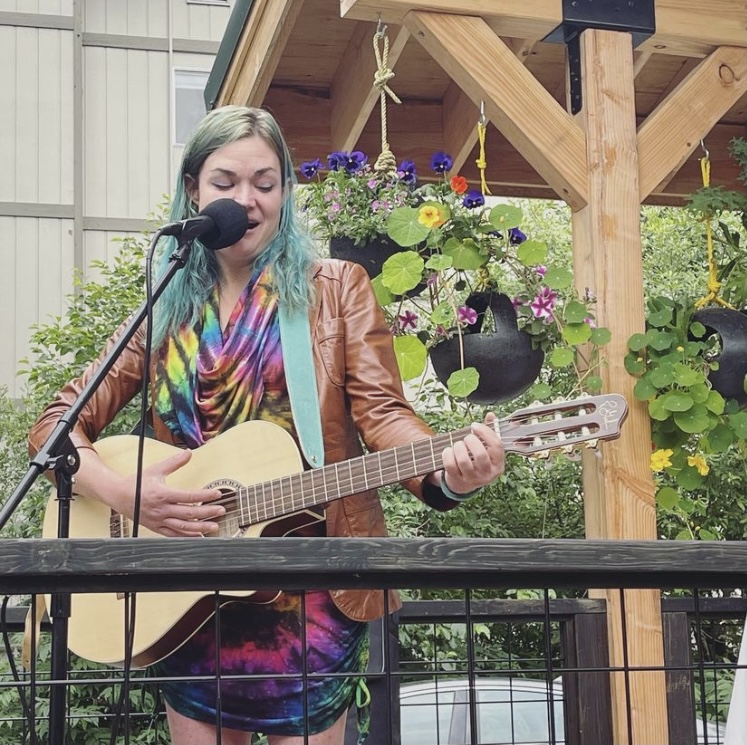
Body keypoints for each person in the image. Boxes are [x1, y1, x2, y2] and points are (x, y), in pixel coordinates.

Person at [29, 105, 505, 745]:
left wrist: (450, 470)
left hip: (309, 582)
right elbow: (57, 425)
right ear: (194, 189)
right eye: (225, 182)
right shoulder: (166, 305)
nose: (246, 199)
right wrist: (124, 493)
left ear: (285, 192)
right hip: (188, 584)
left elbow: (384, 415)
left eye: (265, 181)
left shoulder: (335, 289)